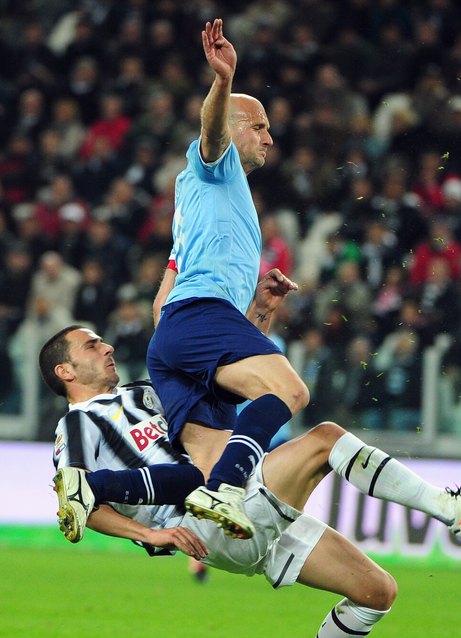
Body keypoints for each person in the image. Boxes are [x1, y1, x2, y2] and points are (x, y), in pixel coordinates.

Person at [39, 325, 461, 638]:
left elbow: (216, 389)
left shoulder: (144, 395)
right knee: (325, 439)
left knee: (377, 592)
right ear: (66, 371)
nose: (108, 347)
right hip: (207, 518)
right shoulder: (78, 424)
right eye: (92, 344)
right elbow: (81, 502)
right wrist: (151, 535)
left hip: (240, 501)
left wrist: (257, 316)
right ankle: (451, 506)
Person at [146, 18, 309, 540]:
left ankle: (97, 486)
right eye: (257, 126)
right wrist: (222, 81)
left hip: (176, 332)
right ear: (234, 129)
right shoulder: (216, 166)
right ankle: (228, 489)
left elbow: (162, 302)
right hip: (197, 317)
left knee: (203, 463)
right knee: (290, 392)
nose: (268, 136)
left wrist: (259, 309)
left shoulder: (195, 202)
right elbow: (212, 134)